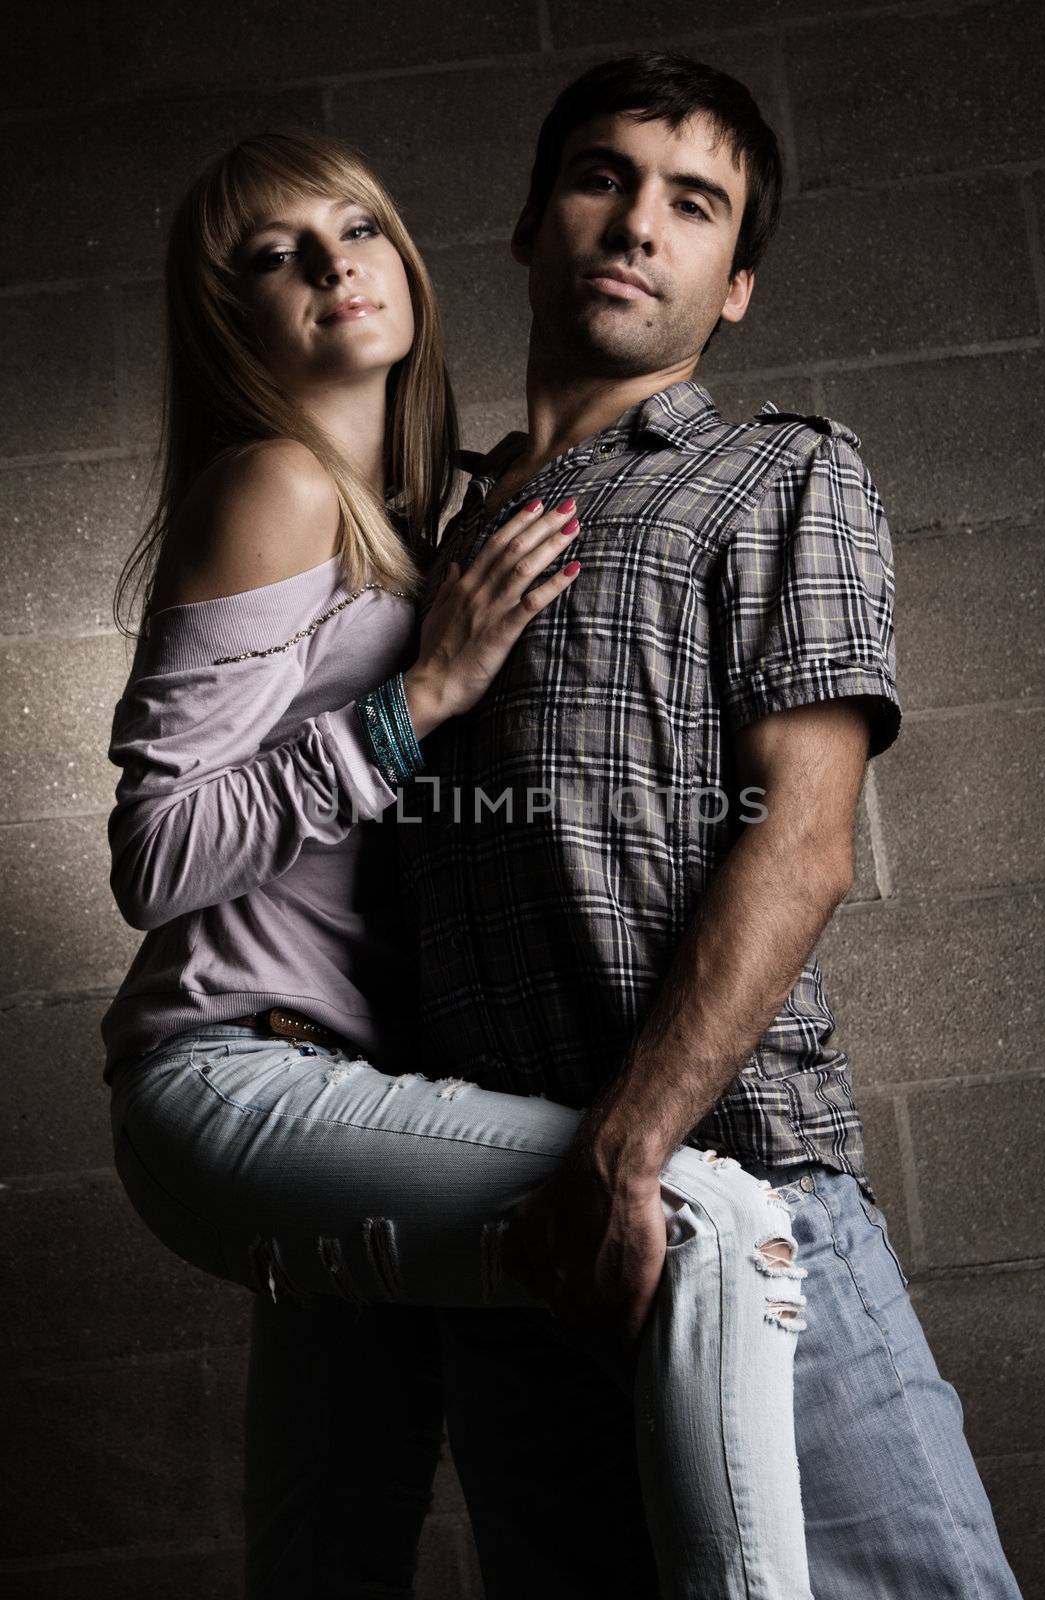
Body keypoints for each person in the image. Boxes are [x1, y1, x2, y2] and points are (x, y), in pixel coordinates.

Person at [101, 126, 813, 1600]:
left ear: (408, 260)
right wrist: (419, 697)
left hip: (341, 1084)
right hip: (240, 1072)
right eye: (273, 254)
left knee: (334, 1540)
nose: (331, 263)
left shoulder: (410, 528)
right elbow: (156, 857)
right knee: (711, 1218)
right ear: (228, 316)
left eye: (354, 226)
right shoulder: (275, 486)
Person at [389, 50, 1025, 1600]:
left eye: (694, 206)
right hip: (512, 1248)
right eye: (603, 178)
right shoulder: (413, 542)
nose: (637, 226)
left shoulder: (773, 476)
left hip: (747, 1191)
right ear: (532, 221)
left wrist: (633, 1141)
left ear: (733, 284)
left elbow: (804, 843)